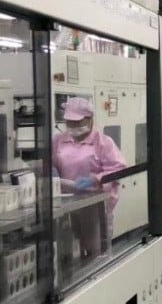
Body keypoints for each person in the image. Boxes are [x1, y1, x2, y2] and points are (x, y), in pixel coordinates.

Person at [52, 97, 127, 260]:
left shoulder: (103, 142)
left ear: (90, 119)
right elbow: (49, 163)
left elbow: (119, 169)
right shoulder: (58, 141)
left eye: (77, 122)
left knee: (96, 251)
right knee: (70, 250)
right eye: (69, 122)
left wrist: (95, 179)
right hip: (67, 203)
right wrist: (51, 173)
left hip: (95, 205)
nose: (73, 126)